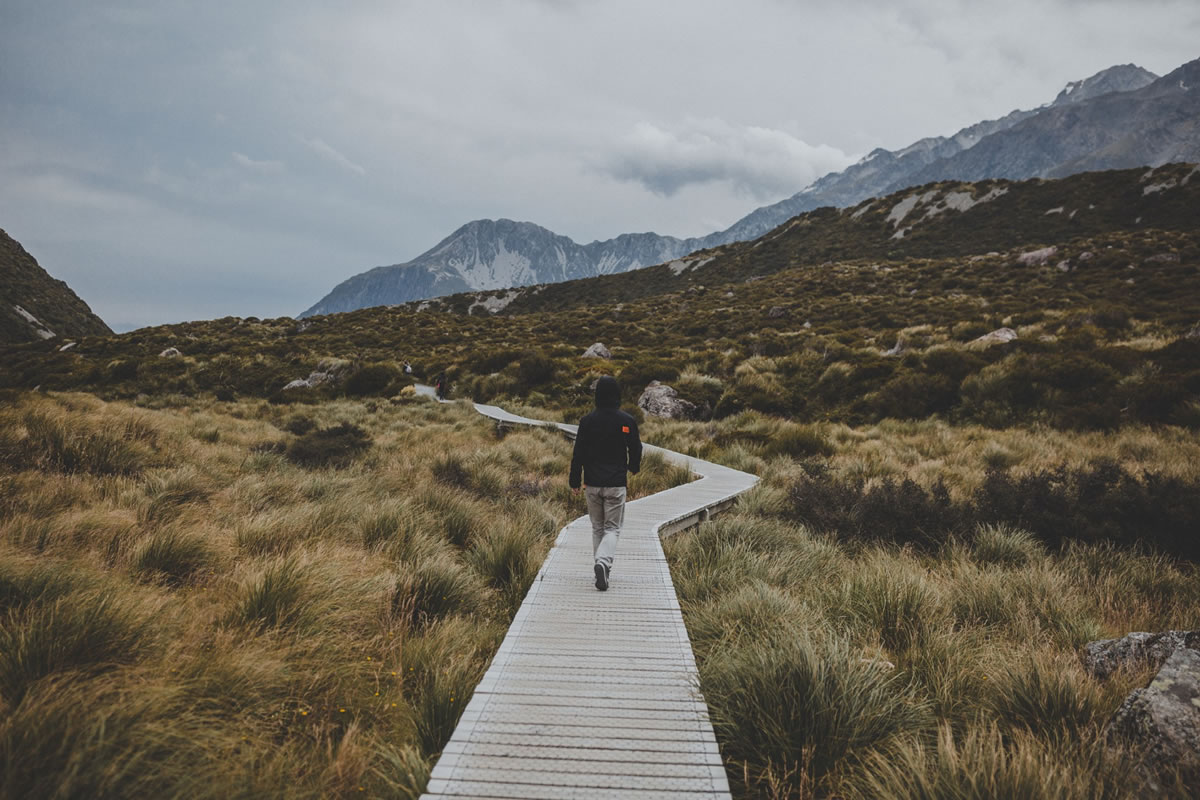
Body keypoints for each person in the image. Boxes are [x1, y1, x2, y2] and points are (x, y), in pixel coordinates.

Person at [568, 376, 642, 591]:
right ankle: (603, 562)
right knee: (612, 529)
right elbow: (636, 448)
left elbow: (578, 453)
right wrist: (634, 467)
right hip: (616, 484)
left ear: (597, 395)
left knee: (597, 527)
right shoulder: (626, 421)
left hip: (591, 484)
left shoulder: (587, 421)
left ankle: (601, 567)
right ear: (617, 395)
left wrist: (575, 480)